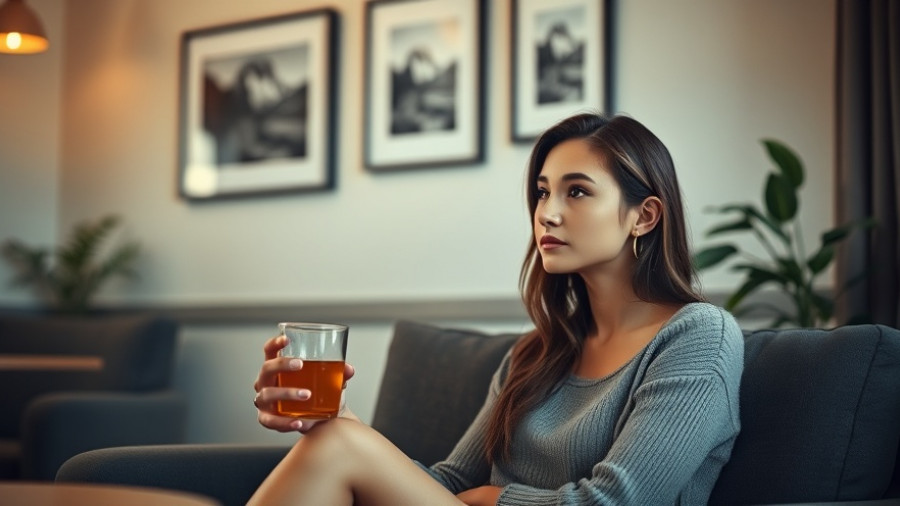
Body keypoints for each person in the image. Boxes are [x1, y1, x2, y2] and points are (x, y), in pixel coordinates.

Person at [249, 112, 744, 506]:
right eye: (543, 191)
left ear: (645, 215)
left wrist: (500, 499)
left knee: (337, 446)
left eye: (577, 192)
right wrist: (339, 417)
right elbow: (448, 482)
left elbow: (618, 502)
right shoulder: (537, 354)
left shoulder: (698, 335)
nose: (546, 213)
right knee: (332, 439)